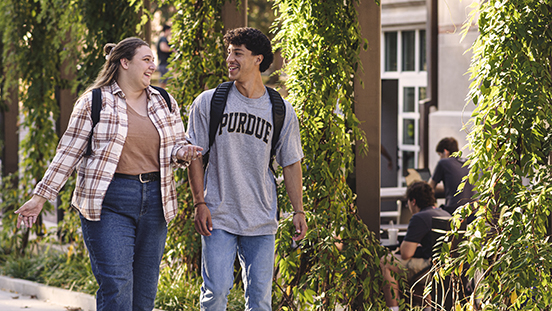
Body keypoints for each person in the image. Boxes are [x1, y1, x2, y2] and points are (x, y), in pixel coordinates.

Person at [14, 37, 202, 311]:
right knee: (117, 284)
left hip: (155, 200)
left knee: (146, 289)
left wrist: (183, 152)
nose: (153, 66)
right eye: (146, 60)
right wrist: (40, 198)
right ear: (124, 63)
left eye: (152, 60)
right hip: (108, 201)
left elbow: (175, 144)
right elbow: (67, 154)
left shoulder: (163, 101)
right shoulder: (94, 102)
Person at [187, 27, 307, 311]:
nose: (230, 58)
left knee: (260, 300)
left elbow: (291, 163)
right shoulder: (209, 102)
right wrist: (199, 202)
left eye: (237, 53)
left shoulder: (281, 110)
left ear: (258, 59)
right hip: (219, 214)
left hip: (262, 218)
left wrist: (299, 210)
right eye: (228, 52)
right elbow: (194, 156)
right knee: (215, 292)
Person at [380, 181, 450, 311]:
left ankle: (393, 309)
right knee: (411, 269)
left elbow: (406, 253)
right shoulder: (444, 213)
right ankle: (426, 308)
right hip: (445, 268)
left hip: (430, 269)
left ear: (413, 202)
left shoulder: (420, 217)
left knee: (386, 262)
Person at [428, 137, 475, 215]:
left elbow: (429, 187)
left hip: (453, 212)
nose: (440, 158)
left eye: (440, 154)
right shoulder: (469, 163)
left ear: (445, 152)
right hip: (473, 212)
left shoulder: (443, 163)